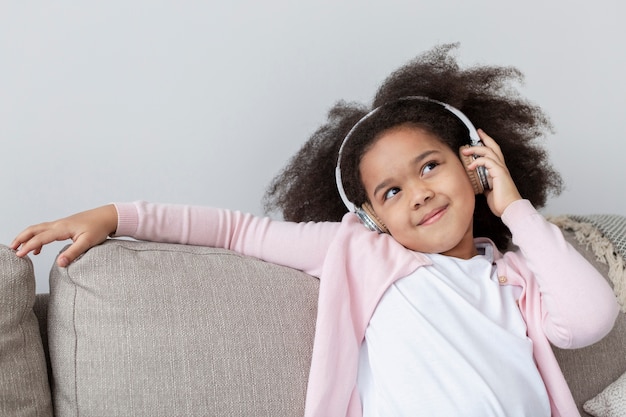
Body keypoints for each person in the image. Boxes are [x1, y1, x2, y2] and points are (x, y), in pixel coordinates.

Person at [11, 44, 619, 417]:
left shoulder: (514, 275)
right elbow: (235, 231)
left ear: (472, 161)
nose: (420, 193)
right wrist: (118, 215)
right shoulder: (358, 251)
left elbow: (590, 318)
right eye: (391, 191)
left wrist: (511, 203)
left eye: (430, 165)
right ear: (370, 216)